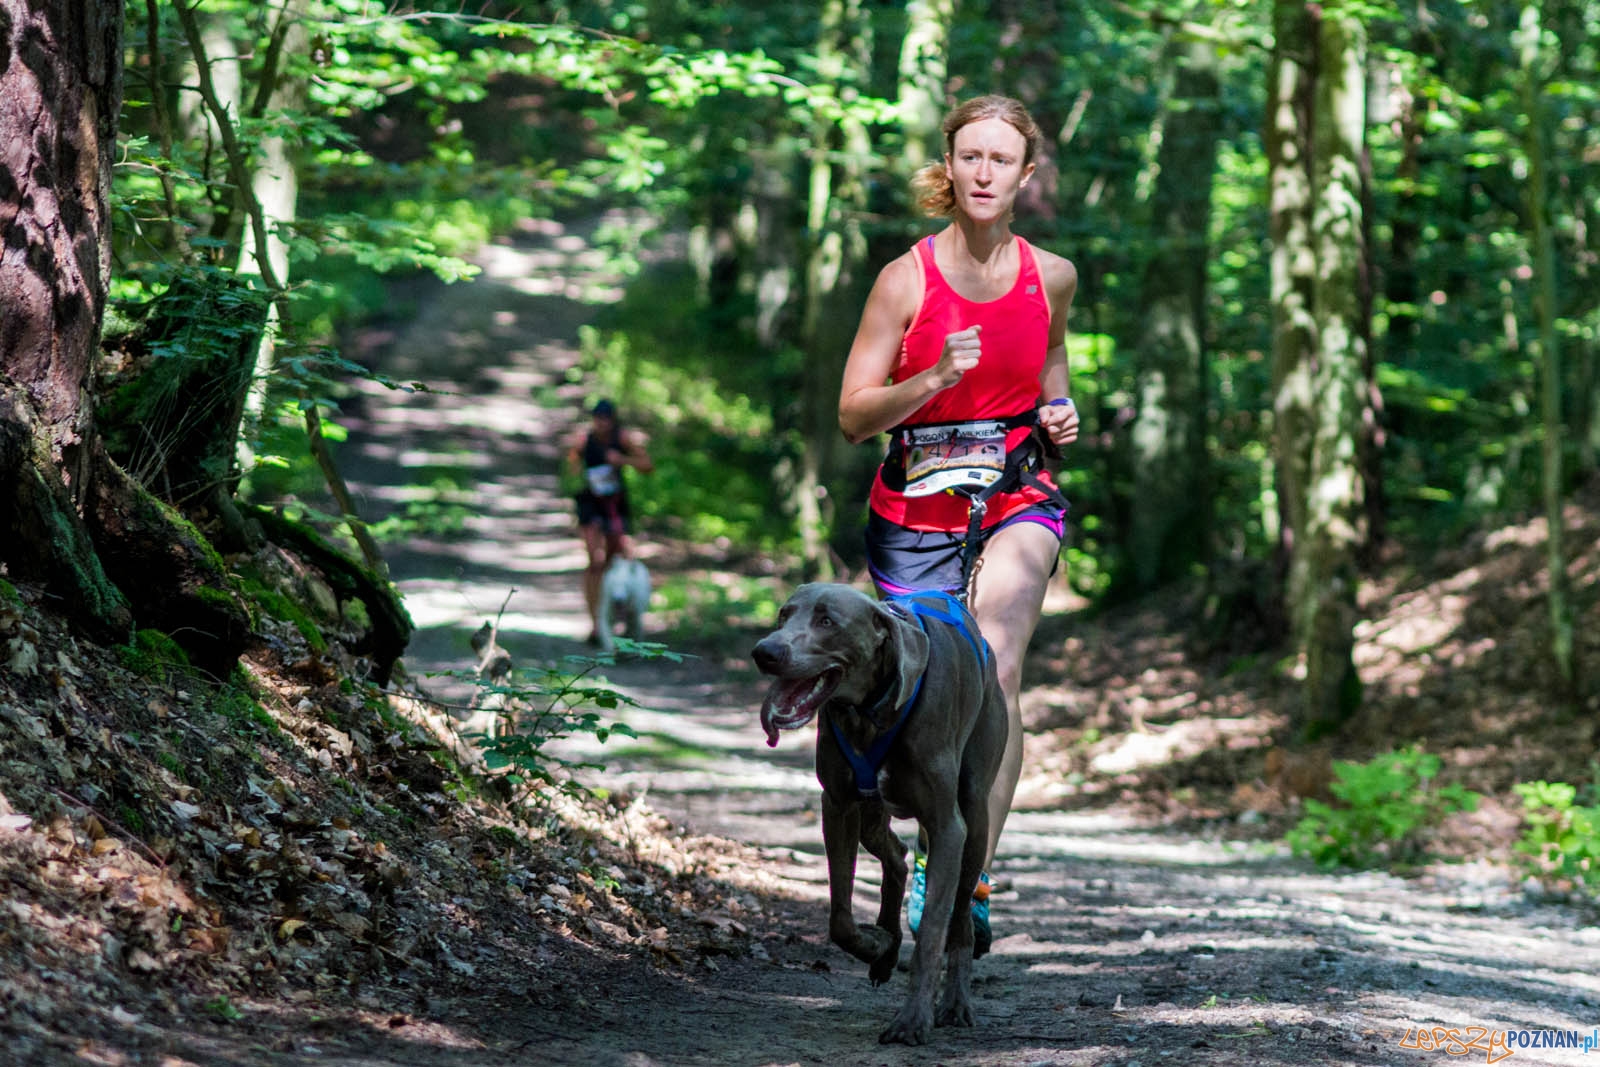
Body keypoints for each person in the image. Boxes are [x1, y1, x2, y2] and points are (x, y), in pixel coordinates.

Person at [836, 94, 1080, 955]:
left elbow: (1052, 362)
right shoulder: (905, 279)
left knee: (997, 660)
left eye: (1000, 159)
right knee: (915, 690)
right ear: (950, 165)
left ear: (1025, 174)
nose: (984, 172)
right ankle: (916, 840)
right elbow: (853, 415)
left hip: (1016, 495)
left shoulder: (1052, 276)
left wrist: (1059, 411)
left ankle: (967, 878)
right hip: (914, 512)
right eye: (970, 156)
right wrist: (932, 378)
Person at [566, 398, 654, 646]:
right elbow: (572, 460)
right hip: (590, 503)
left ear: (613, 420)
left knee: (615, 560)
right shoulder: (585, 440)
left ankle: (618, 618)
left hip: (615, 504)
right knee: (594, 562)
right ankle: (596, 624)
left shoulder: (623, 439)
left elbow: (647, 465)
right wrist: (576, 467)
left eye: (606, 418)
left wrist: (622, 460)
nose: (602, 423)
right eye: (598, 418)